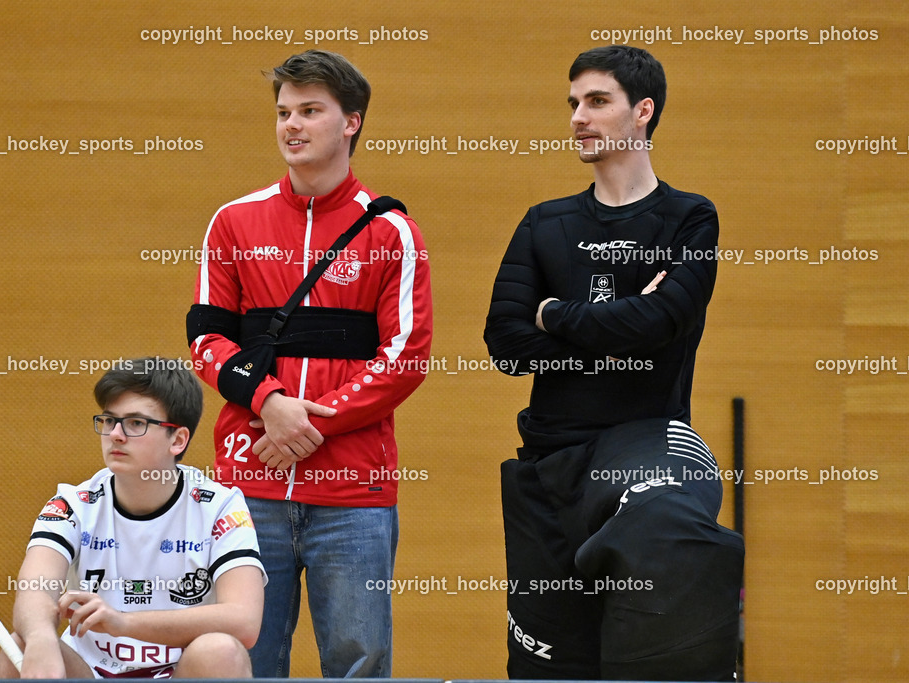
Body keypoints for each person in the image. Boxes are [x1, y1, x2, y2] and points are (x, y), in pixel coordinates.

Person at [484, 45, 744, 681]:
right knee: (548, 661)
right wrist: (619, 322)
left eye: (597, 102)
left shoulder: (690, 218)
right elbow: (506, 343)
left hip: (647, 437)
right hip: (549, 456)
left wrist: (556, 313)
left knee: (667, 553)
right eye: (573, 103)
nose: (578, 116)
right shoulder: (545, 223)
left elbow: (663, 322)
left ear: (642, 112)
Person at [186, 50, 432, 678]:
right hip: (247, 487)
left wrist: (308, 425)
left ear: (351, 121)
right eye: (283, 113)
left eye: (310, 111)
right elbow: (207, 343)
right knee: (244, 659)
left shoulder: (391, 231)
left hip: (354, 493)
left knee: (359, 661)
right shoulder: (233, 222)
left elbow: (405, 356)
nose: (291, 126)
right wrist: (271, 403)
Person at [0, 358, 265, 679]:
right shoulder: (72, 504)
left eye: (136, 423)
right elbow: (35, 588)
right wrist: (40, 639)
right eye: (109, 421)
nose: (116, 435)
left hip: (179, 672)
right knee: (20, 646)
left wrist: (125, 623)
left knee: (221, 650)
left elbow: (244, 621)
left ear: (178, 439)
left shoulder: (220, 506)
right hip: (90, 671)